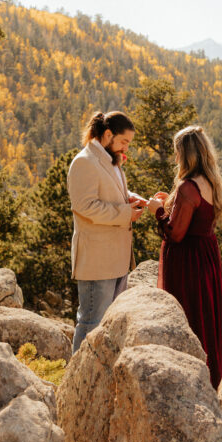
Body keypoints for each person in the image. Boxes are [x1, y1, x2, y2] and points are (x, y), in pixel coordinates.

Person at [146, 124, 222, 388]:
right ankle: (210, 377)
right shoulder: (211, 183)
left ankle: (187, 379)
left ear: (185, 154)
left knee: (188, 316)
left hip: (187, 262)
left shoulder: (187, 187)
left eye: (177, 152)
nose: (175, 158)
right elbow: (195, 218)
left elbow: (175, 233)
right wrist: (170, 204)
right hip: (206, 257)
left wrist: (158, 211)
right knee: (205, 317)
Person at [68, 110, 146, 353]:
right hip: (96, 259)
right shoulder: (84, 162)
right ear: (108, 134)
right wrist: (125, 213)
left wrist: (135, 200)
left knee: (105, 323)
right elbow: (84, 206)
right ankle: (76, 383)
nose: (126, 148)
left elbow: (113, 194)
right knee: (91, 322)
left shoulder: (110, 160)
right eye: (124, 141)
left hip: (115, 258)